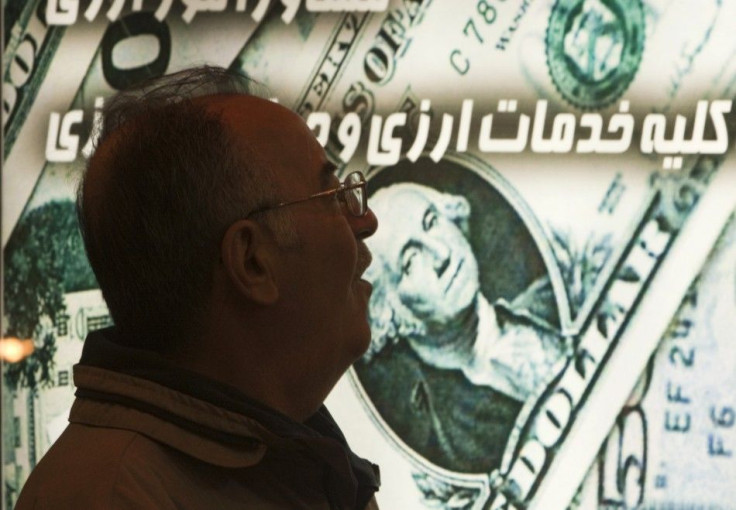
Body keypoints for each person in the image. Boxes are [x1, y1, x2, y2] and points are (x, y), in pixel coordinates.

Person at [15, 66, 380, 510]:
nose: (365, 220)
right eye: (332, 197)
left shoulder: (284, 451)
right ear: (251, 261)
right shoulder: (112, 497)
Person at [354, 182, 566, 473]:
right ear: (391, 313)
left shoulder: (552, 300)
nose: (442, 254)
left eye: (431, 223)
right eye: (411, 261)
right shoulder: (447, 445)